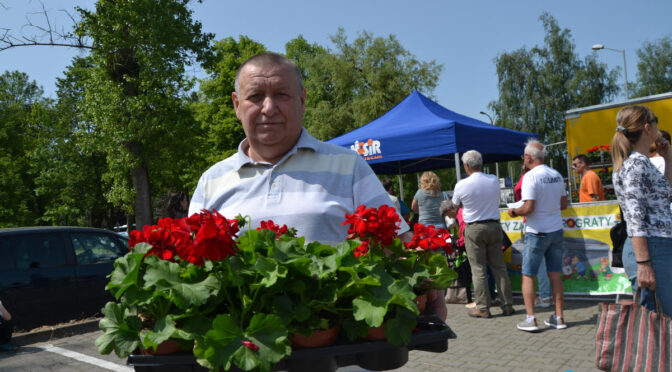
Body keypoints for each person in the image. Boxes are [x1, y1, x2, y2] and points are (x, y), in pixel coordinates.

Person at [188, 53, 446, 320]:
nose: (268, 107)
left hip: (339, 350)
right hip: (243, 344)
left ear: (302, 100)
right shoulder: (212, 179)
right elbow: (193, 267)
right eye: (255, 96)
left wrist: (423, 278)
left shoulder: (349, 166)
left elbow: (399, 244)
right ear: (236, 104)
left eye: (281, 95)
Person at [612, 105, 672, 317]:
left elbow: (662, 197)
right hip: (651, 248)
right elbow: (636, 219)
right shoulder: (635, 165)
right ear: (647, 128)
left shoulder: (641, 163)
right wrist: (644, 264)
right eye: (656, 120)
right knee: (660, 321)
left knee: (662, 320)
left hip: (656, 246)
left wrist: (667, 159)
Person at [508, 139, 568, 331]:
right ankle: (559, 317)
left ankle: (531, 318)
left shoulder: (530, 177)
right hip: (556, 230)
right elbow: (564, 205)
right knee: (555, 275)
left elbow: (529, 207)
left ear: (528, 157)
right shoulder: (557, 175)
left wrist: (514, 212)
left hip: (537, 232)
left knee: (529, 275)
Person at [452, 150, 514, 318]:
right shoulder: (493, 180)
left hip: (474, 228)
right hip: (494, 226)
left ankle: (483, 308)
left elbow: (454, 207)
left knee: (478, 269)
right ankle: (507, 305)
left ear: (466, 166)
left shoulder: (461, 185)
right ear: (480, 163)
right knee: (499, 268)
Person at [515, 164, 553, 308]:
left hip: (534, 225)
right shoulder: (552, 176)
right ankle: (547, 296)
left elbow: (518, 190)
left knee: (533, 266)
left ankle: (544, 296)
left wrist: (525, 173)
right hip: (551, 224)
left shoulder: (529, 177)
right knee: (548, 263)